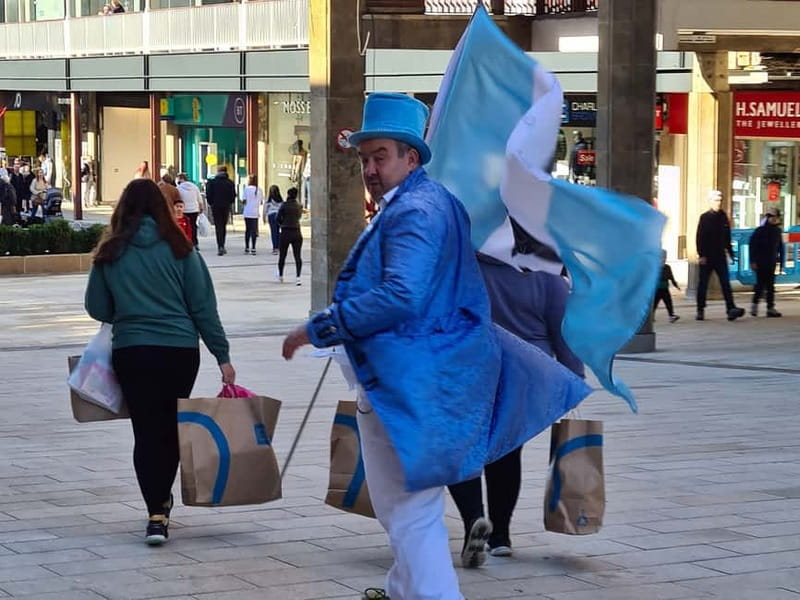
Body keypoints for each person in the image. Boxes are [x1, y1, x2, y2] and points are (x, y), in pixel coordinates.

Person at [281, 92, 505, 600]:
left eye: (380, 157)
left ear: (411, 157)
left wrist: (322, 326)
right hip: (425, 377)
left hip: (410, 381)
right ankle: (403, 589)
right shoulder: (432, 201)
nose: (370, 169)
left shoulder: (415, 211)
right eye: (364, 158)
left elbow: (403, 294)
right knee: (404, 506)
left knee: (408, 509)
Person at [84, 178, 235, 546]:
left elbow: (96, 306)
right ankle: (162, 506)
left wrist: (128, 308)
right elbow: (204, 308)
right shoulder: (182, 250)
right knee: (169, 428)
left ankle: (155, 511)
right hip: (179, 352)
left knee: (146, 431)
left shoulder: (110, 252)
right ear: (163, 209)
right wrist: (222, 356)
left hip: (132, 351)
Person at [448, 255, 585, 566]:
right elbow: (565, 330)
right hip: (526, 372)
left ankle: (473, 520)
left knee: (461, 448)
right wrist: (574, 377)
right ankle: (500, 537)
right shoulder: (545, 271)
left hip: (470, 366)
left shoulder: (462, 266)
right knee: (507, 452)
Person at [696, 190, 745, 322]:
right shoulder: (704, 217)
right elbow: (700, 237)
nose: (719, 203)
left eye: (720, 200)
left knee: (725, 283)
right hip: (707, 256)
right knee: (703, 284)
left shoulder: (723, 216)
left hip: (720, 255)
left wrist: (730, 252)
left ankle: (731, 309)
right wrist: (702, 255)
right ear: (710, 201)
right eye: (716, 200)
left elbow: (726, 236)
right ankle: (700, 310)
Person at [749, 205, 784, 318]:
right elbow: (753, 246)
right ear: (767, 218)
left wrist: (780, 263)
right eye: (771, 217)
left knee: (770, 286)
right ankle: (754, 305)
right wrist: (753, 261)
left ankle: (770, 308)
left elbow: (780, 248)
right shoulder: (760, 231)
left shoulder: (777, 231)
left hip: (772, 262)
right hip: (760, 262)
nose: (774, 219)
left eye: (775, 217)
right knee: (760, 285)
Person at [205, 165, 236, 256]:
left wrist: (211, 203)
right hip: (226, 206)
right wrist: (229, 202)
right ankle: (222, 244)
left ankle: (220, 246)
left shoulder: (212, 182)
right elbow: (233, 195)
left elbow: (208, 194)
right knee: (223, 225)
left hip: (215, 206)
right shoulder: (230, 183)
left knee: (218, 225)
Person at [276, 187, 303, 285]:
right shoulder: (299, 206)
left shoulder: (284, 205)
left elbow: (277, 218)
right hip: (296, 231)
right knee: (297, 256)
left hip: (286, 231)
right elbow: (299, 216)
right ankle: (298, 277)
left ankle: (281, 275)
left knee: (282, 255)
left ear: (288, 195)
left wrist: (282, 224)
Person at [176, 173, 204, 250]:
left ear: (181, 179)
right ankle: (195, 242)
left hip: (184, 210)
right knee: (193, 226)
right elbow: (199, 198)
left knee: (184, 226)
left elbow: (178, 199)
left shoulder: (179, 188)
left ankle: (186, 241)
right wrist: (201, 207)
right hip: (194, 209)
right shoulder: (194, 187)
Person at [654, 250, 681, 323]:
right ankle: (651, 317)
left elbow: (671, 277)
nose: (663, 259)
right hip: (657, 289)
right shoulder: (654, 267)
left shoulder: (667, 267)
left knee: (669, 302)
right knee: (654, 303)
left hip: (665, 288)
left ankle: (671, 316)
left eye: (665, 257)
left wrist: (676, 285)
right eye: (661, 257)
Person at [242, 174, 263, 255]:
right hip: (255, 213)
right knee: (254, 230)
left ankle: (247, 247)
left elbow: (244, 201)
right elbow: (261, 202)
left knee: (247, 230)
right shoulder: (259, 190)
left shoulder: (246, 189)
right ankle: (253, 247)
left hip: (247, 212)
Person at [263, 185, 283, 255]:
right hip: (279, 215)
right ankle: (279, 246)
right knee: (278, 231)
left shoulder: (268, 200)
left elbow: (265, 209)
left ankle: (275, 248)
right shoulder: (281, 200)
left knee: (273, 232)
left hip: (271, 216)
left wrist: (264, 218)